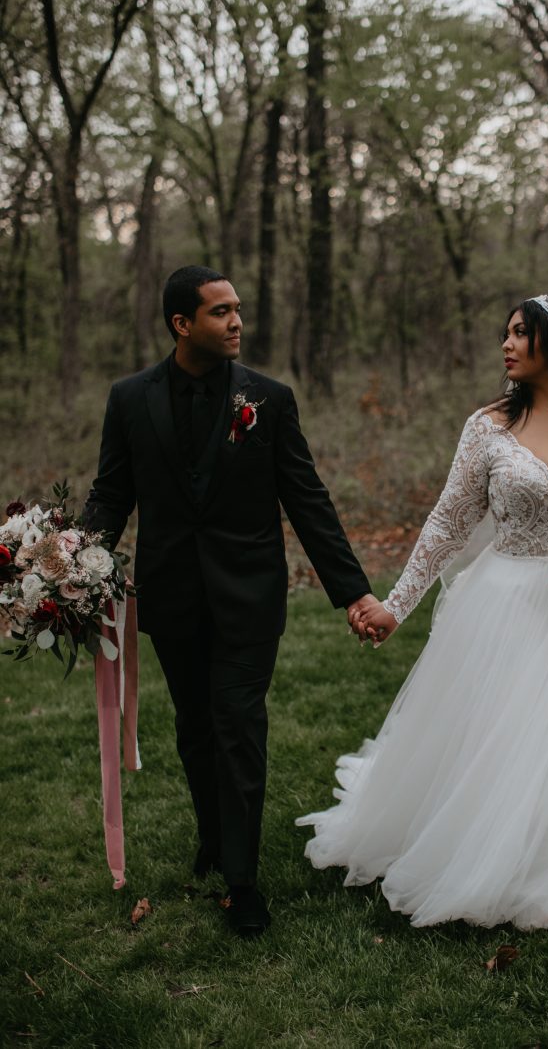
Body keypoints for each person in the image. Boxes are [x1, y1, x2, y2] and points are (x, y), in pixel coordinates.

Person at [296, 295, 548, 932]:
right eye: (506, 334)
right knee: (535, 732)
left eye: (522, 334)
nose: (507, 345)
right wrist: (396, 605)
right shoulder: (487, 426)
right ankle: (535, 838)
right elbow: (448, 522)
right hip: (512, 603)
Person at [84, 265, 379, 936]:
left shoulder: (268, 400)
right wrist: (73, 564)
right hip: (173, 595)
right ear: (181, 323)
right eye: (220, 312)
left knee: (238, 725)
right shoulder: (130, 399)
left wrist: (352, 591)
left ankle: (242, 882)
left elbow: (307, 499)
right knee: (195, 728)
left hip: (249, 594)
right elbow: (111, 493)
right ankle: (214, 838)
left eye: (238, 309)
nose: (237, 321)